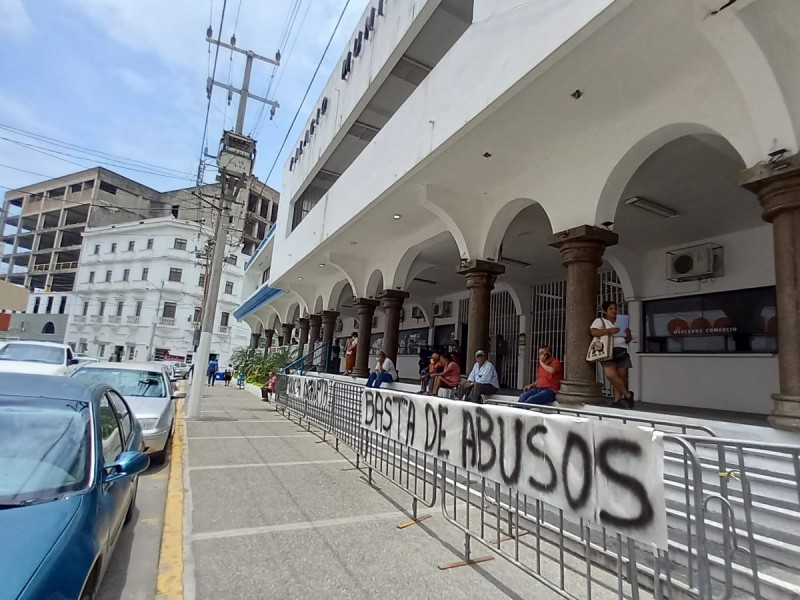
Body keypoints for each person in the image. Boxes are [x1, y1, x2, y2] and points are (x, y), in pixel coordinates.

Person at [591, 301, 635, 409]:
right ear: (605, 311)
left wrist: (628, 334)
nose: (614, 311)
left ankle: (617, 400)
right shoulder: (600, 321)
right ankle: (628, 395)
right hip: (607, 350)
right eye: (611, 309)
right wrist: (609, 331)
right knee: (611, 375)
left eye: (615, 308)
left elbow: (627, 340)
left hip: (622, 349)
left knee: (621, 376)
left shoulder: (620, 322)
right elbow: (594, 332)